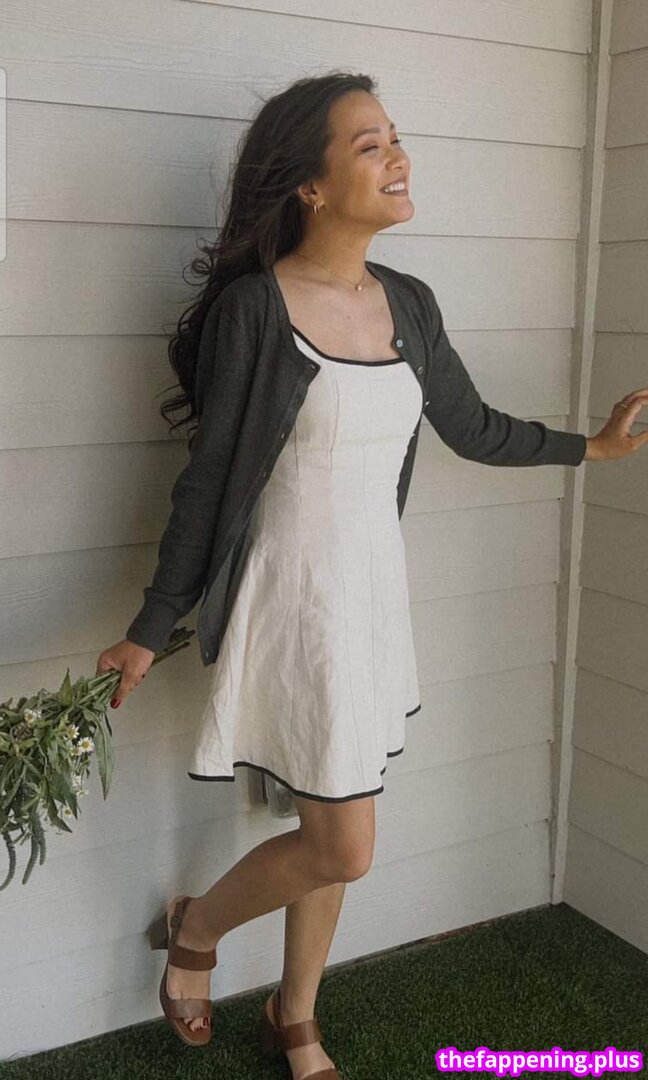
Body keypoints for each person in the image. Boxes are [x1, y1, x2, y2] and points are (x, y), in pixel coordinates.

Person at [95, 72, 648, 1079]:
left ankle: (296, 1016)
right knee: (343, 842)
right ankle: (197, 927)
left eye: (395, 137)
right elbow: (208, 484)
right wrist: (150, 623)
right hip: (293, 603)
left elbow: (472, 428)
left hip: (371, 600)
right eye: (369, 144)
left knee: (330, 816)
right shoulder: (256, 311)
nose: (398, 158)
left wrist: (592, 449)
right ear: (308, 185)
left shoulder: (410, 303)